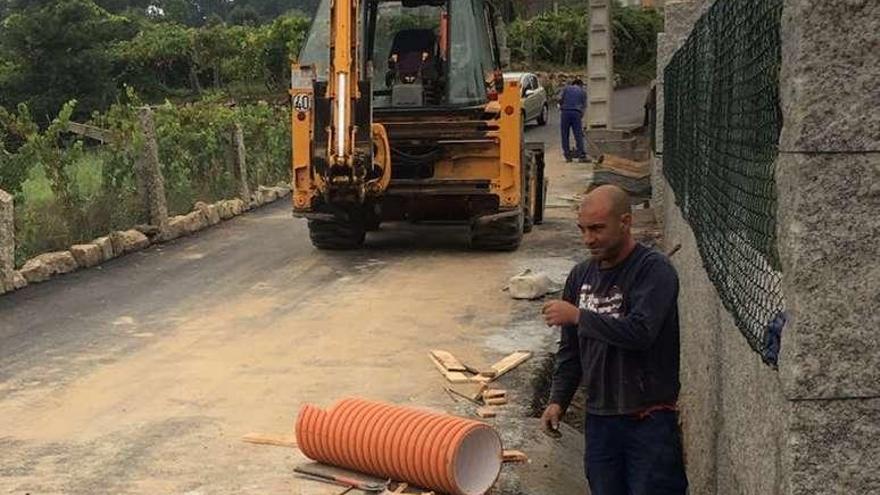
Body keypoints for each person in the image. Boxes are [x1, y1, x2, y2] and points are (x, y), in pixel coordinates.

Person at [540, 184, 688, 495]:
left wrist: (580, 316)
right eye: (583, 229)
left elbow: (641, 332)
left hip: (648, 420)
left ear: (625, 222)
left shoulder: (653, 271)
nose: (588, 239)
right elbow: (571, 350)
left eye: (597, 229)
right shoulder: (580, 277)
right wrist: (558, 400)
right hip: (600, 420)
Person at [558, 78, 589, 163]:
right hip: (576, 113)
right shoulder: (583, 92)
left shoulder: (566, 88)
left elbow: (560, 99)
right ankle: (581, 155)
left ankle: (567, 155)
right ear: (581, 85)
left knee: (565, 134)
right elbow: (584, 107)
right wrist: (580, 117)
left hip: (565, 112)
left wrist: (562, 106)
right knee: (578, 134)